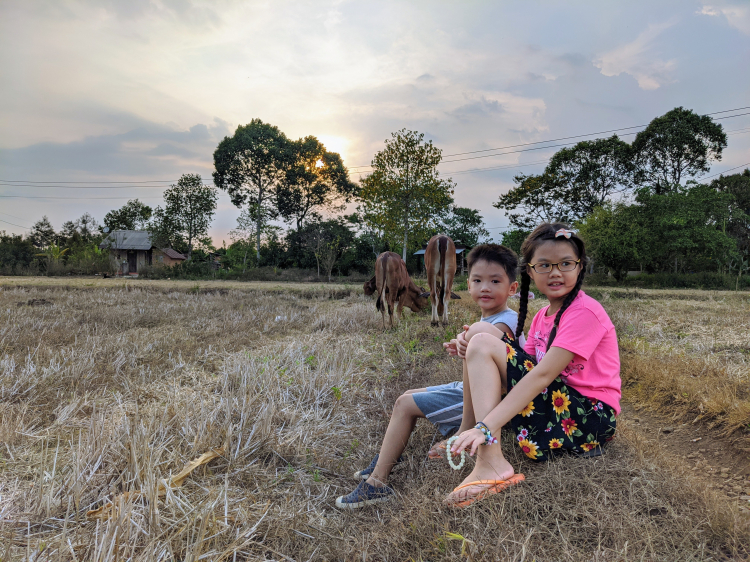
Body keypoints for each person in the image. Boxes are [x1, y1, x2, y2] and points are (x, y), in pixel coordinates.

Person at [444, 223, 621, 508]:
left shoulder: (585, 311)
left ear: (580, 267)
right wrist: (473, 343)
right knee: (479, 332)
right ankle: (466, 429)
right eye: (544, 265)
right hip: (560, 401)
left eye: (566, 263)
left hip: (590, 417)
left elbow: (542, 374)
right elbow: (518, 363)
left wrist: (486, 426)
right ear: (530, 271)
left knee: (482, 341)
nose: (555, 272)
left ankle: (491, 461)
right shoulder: (542, 315)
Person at [335, 244, 520, 509]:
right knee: (409, 394)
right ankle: (385, 459)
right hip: (471, 387)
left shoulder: (505, 322)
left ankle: (378, 482)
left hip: (489, 400)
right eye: (478, 280)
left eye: (495, 281)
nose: (485, 287)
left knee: (404, 404)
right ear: (467, 285)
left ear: (512, 288)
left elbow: (494, 356)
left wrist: (464, 428)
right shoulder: (494, 318)